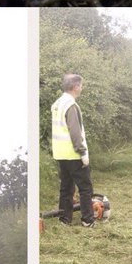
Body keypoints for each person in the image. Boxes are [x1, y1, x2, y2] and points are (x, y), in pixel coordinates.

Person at [50, 73, 95, 227]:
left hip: (60, 154)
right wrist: (82, 152)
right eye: (80, 86)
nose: (81, 88)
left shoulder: (57, 104)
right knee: (85, 188)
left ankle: (64, 218)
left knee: (66, 188)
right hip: (73, 154)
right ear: (76, 87)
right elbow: (75, 132)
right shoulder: (71, 105)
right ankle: (87, 220)